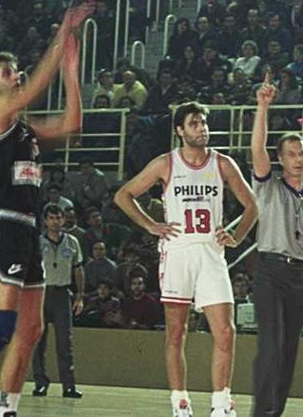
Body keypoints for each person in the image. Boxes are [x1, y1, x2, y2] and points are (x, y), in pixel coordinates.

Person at [0, 3, 90, 417]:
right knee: (0, 325)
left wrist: (70, 70)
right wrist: (63, 31)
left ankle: (7, 407)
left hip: (27, 228)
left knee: (31, 330)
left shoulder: (24, 129)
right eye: (7, 73)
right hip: (1, 223)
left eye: (16, 70)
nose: (15, 76)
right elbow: (34, 86)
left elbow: (71, 125)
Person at [114, 101, 258, 417]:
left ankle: (221, 403)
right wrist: (151, 225)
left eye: (204, 123)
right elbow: (123, 195)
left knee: (226, 331)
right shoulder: (166, 164)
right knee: (176, 333)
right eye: (194, 123)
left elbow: (252, 205)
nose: (202, 128)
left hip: (211, 255)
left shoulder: (223, 163)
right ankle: (180, 401)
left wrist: (237, 236)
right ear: (180, 130)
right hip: (177, 254)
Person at [248, 70, 303, 417]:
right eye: (292, 153)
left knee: (290, 349)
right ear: (281, 158)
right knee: (271, 344)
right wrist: (262, 108)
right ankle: (261, 411)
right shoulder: (268, 185)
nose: (299, 158)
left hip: (299, 276)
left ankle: (275, 411)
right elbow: (256, 149)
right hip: (269, 269)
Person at [30, 205, 85, 399]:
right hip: (41, 293)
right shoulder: (37, 242)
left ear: (64, 220)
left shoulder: (71, 242)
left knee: (65, 342)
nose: (55, 221)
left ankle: (68, 386)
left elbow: (78, 269)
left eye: (58, 218)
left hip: (62, 293)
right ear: (45, 221)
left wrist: (79, 296)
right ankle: (40, 383)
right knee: (38, 341)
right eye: (51, 218)